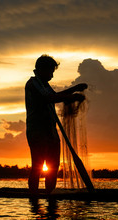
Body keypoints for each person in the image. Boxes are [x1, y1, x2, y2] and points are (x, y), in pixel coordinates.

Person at [25, 54, 88, 194]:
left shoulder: (44, 85)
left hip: (51, 131)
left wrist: (74, 89)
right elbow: (49, 98)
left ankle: (50, 196)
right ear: (41, 69)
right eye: (50, 72)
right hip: (37, 131)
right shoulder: (33, 83)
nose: (52, 76)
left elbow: (56, 96)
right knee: (38, 165)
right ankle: (34, 197)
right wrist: (70, 96)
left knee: (53, 166)